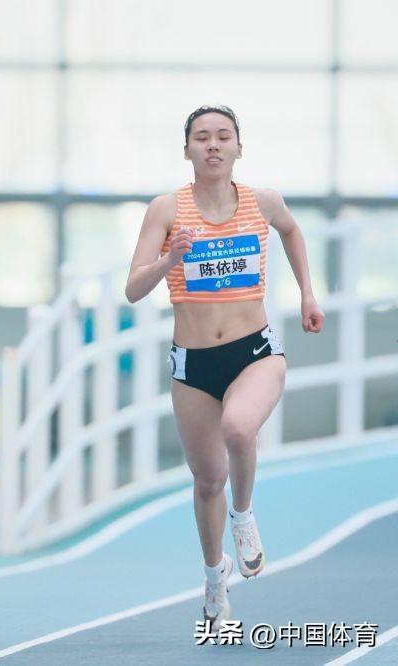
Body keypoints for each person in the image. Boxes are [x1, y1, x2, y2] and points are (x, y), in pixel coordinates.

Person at [125, 105, 324, 625]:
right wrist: (169, 260)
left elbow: (292, 231)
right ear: (186, 150)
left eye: (222, 136)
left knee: (239, 428)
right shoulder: (166, 210)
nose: (212, 145)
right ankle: (215, 576)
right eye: (201, 137)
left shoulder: (263, 201)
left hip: (254, 352)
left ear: (238, 147)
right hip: (194, 365)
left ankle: (244, 515)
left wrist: (307, 293)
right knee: (208, 480)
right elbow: (133, 288)